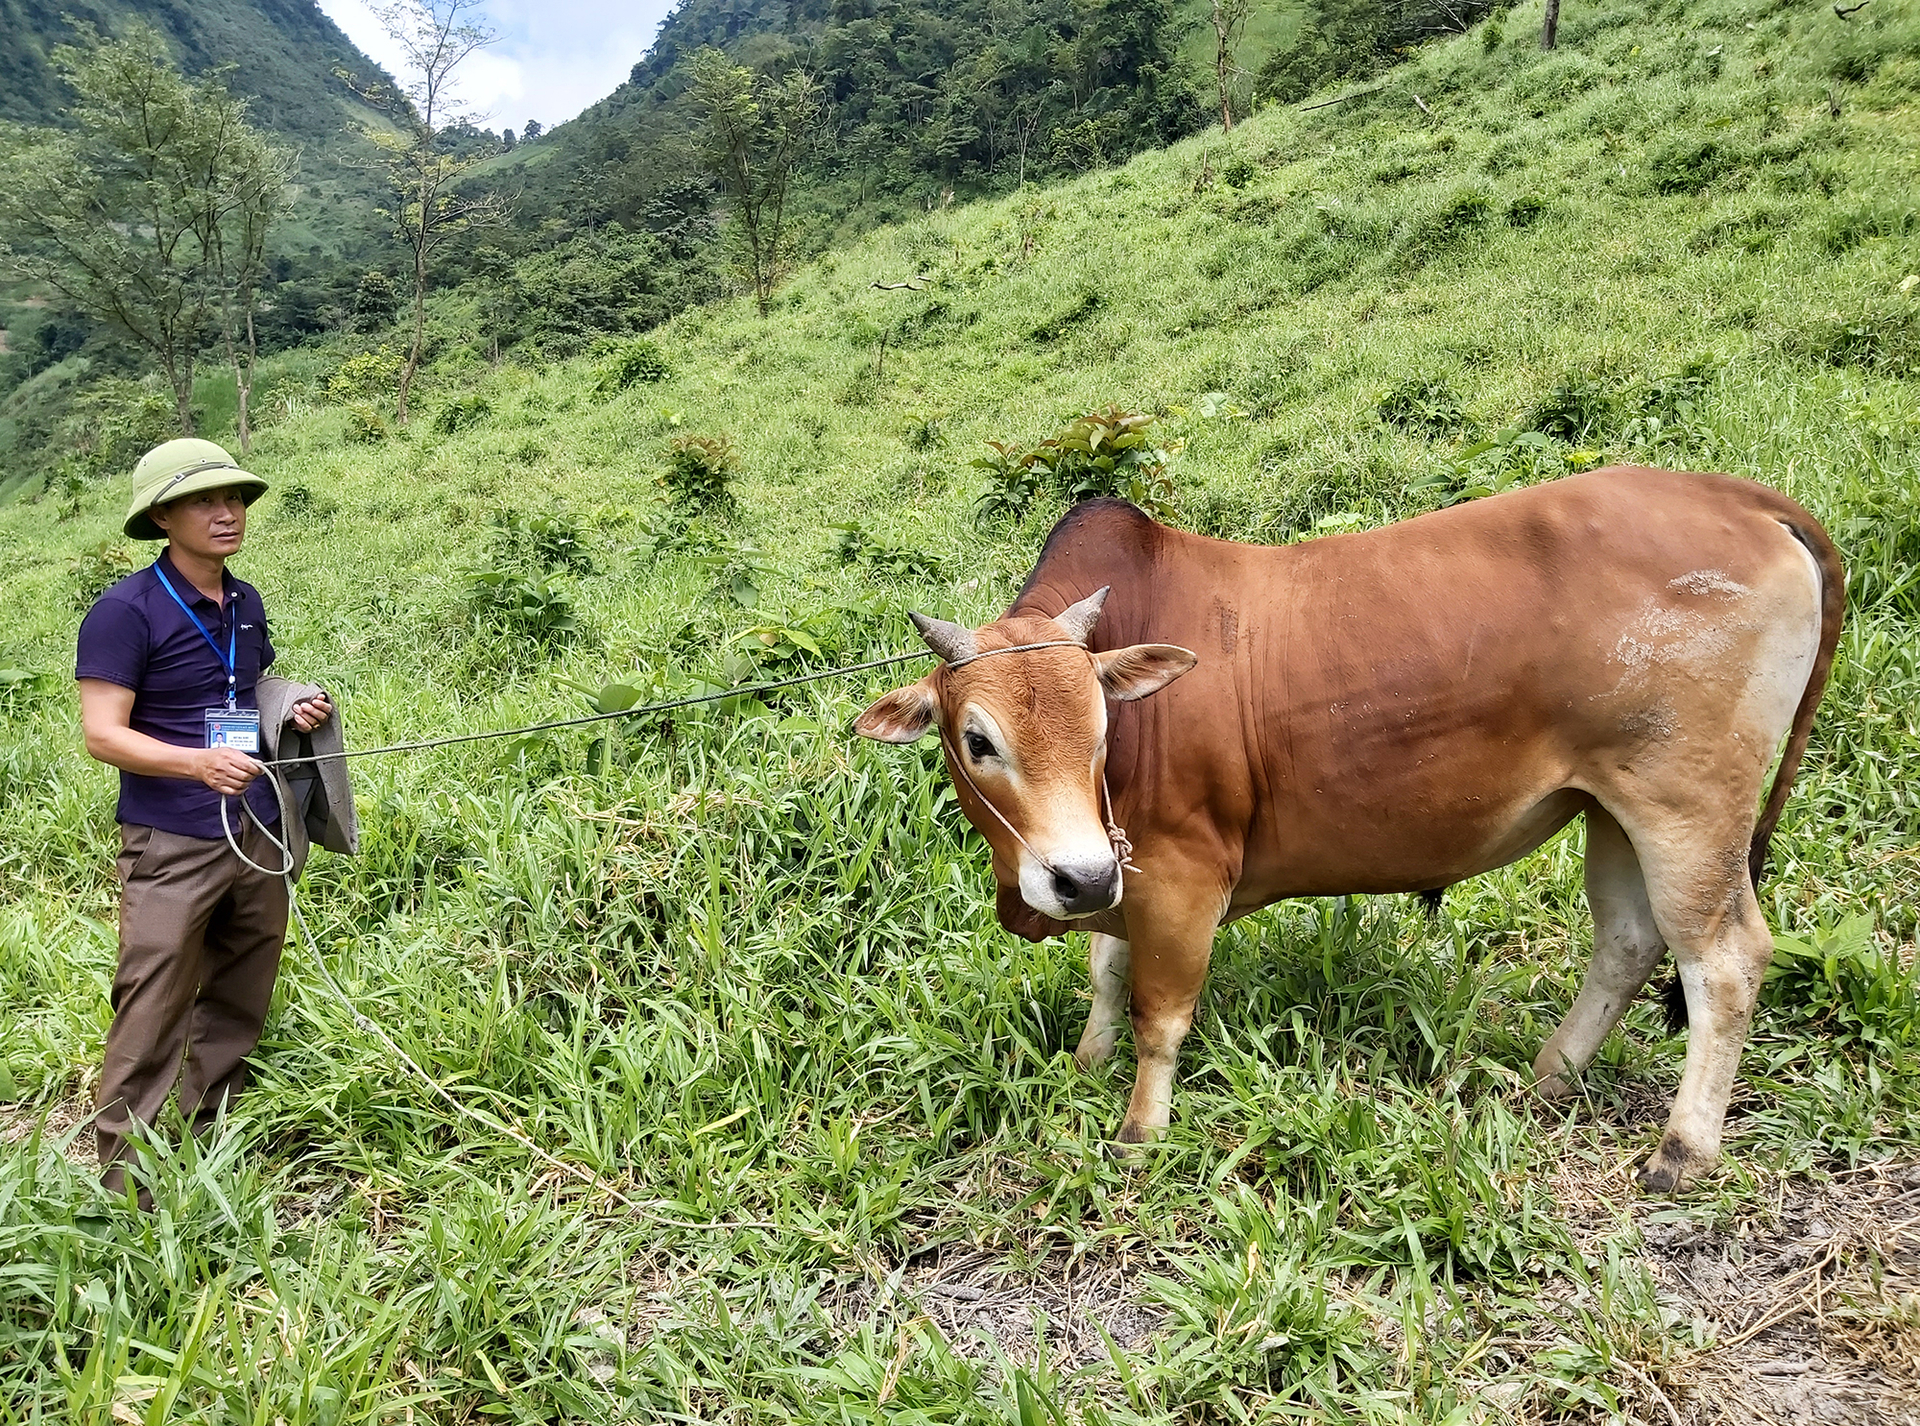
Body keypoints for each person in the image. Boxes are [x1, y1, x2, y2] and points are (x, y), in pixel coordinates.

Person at [75, 438, 332, 1199]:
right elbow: (102, 733)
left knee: (241, 983)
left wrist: (294, 705)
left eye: (235, 500)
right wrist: (194, 763)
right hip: (172, 838)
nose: (226, 514)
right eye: (203, 501)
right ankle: (128, 1181)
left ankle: (207, 1128)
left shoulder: (245, 602)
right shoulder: (124, 611)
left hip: (256, 823)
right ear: (161, 516)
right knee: (152, 999)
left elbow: (249, 690)